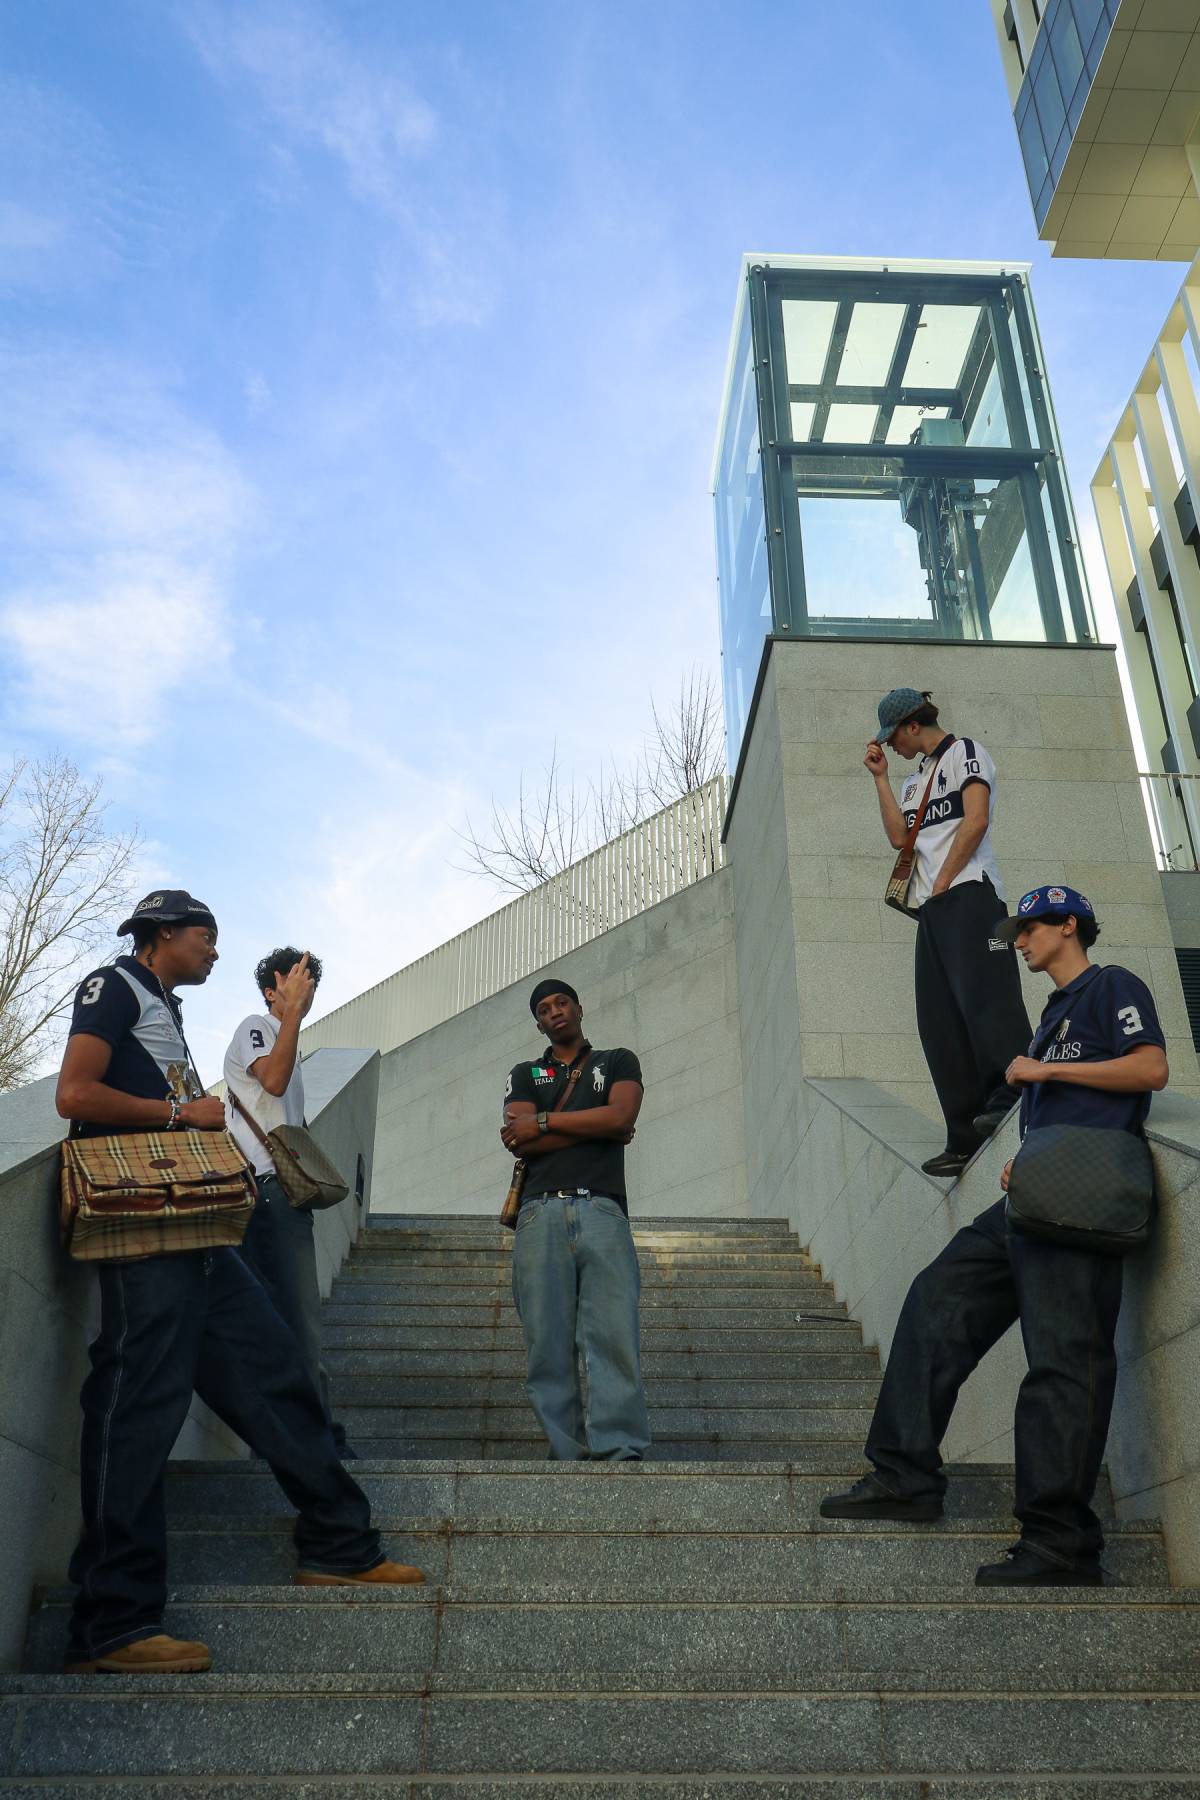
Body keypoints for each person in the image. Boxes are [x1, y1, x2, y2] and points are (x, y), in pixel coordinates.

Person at [55, 889, 422, 1676]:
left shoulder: (164, 1006)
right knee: (139, 1406)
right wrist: (176, 1113)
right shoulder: (113, 986)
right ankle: (112, 1625)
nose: (216, 951)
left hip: (198, 1229)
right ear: (161, 935)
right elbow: (74, 1095)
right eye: (205, 936)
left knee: (275, 1370)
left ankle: (338, 1544)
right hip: (144, 1233)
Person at [821, 885, 1168, 1586]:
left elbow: (1150, 1068)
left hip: (1085, 1204)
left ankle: (1060, 1541)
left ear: (1068, 926)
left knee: (1062, 1365)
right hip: (1033, 1198)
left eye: (1030, 929)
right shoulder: (1051, 1017)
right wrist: (1027, 1152)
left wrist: (1045, 1071)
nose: (1019, 942)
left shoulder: (1110, 987)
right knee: (936, 1301)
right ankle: (904, 1475)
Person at [865, 686, 1032, 1178]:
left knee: (989, 997)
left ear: (912, 725)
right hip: (934, 909)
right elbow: (901, 839)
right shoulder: (917, 780)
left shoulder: (966, 753)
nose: (890, 745)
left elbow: (976, 820)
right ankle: (962, 1134)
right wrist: (881, 779)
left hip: (973, 895)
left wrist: (942, 882)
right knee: (937, 1019)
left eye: (892, 736)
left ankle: (1012, 1097)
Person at [500, 977, 651, 1461]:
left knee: (614, 1333)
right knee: (546, 1339)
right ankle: (566, 1451)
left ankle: (619, 1446)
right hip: (539, 1211)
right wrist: (597, 1123)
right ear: (539, 1023)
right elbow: (517, 1141)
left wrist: (543, 1123)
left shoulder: (618, 1061)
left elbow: (621, 1119)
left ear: (579, 1007)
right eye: (543, 1009)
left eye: (561, 1002)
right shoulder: (525, 1073)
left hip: (603, 1208)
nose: (554, 1012)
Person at [224, 945, 354, 1458]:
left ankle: (294, 1438)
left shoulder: (288, 1041)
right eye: (296, 982)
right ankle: (317, 1443)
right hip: (267, 1193)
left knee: (289, 1324)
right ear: (271, 989)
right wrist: (292, 1012)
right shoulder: (256, 1025)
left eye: (311, 985)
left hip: (279, 1197)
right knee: (299, 1326)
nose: (306, 992)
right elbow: (271, 1080)